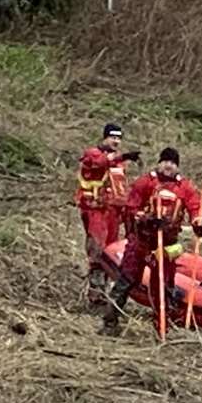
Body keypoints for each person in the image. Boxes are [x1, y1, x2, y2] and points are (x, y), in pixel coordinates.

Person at [103, 147, 202, 336]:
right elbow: (132, 207)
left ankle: (162, 325)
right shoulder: (146, 182)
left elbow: (194, 207)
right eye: (165, 161)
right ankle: (110, 321)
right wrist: (147, 218)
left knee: (163, 285)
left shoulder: (185, 187)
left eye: (173, 163)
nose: (169, 166)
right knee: (126, 280)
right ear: (159, 163)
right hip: (142, 240)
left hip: (166, 244)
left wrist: (197, 223)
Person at [75, 122, 140, 305]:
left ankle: (107, 294)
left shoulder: (119, 163)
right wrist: (122, 157)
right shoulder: (93, 154)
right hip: (96, 210)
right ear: (104, 137)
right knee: (97, 250)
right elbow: (98, 164)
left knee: (111, 252)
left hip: (114, 212)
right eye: (113, 137)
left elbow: (122, 188)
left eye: (119, 138)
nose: (116, 141)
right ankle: (95, 294)